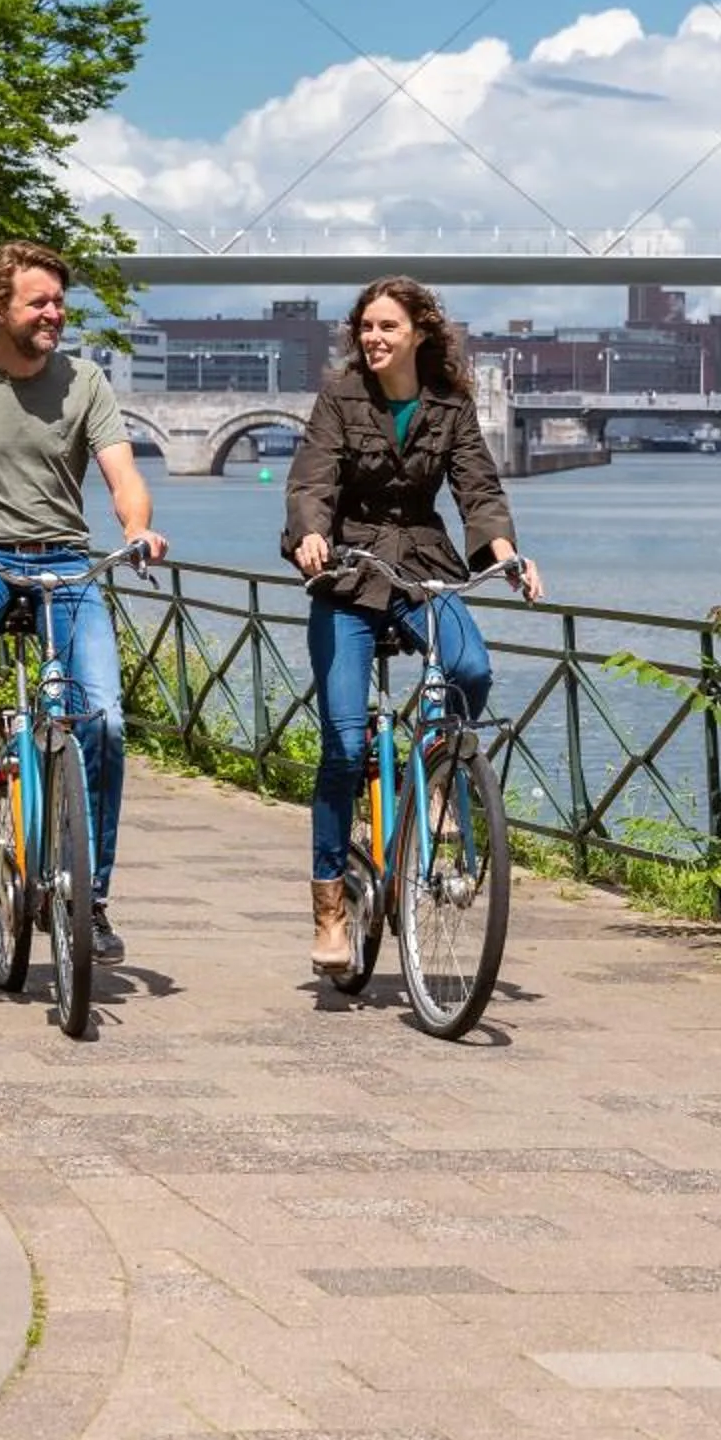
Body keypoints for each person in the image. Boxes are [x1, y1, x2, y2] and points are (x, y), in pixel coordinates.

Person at [0, 240, 164, 965]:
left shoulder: (85, 382)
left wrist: (137, 529)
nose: (53, 314)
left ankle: (91, 899)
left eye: (58, 303)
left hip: (66, 560)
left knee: (103, 722)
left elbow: (123, 478)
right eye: (38, 302)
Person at [281, 276, 543, 975]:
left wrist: (505, 554)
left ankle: (435, 784)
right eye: (366, 326)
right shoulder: (340, 398)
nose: (373, 338)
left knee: (469, 667)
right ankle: (330, 908)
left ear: (420, 333)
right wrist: (311, 534)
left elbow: (478, 488)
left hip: (423, 565)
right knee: (343, 745)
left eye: (387, 327)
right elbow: (311, 480)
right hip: (348, 571)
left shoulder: (449, 405)